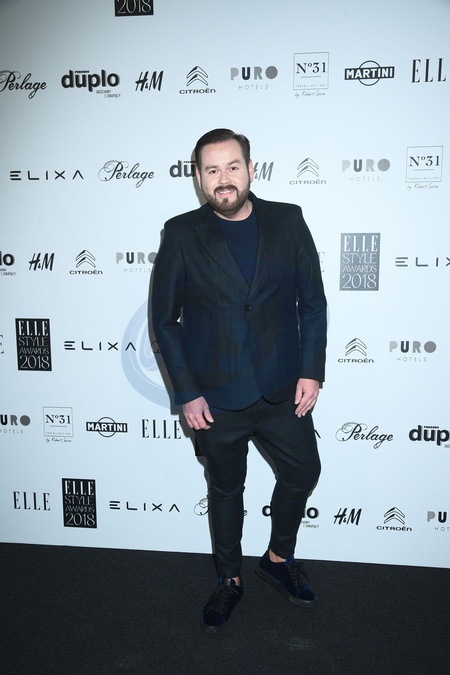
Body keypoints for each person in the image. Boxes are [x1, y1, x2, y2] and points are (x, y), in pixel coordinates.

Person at [150, 128, 327, 634]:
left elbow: (312, 303)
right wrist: (186, 392)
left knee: (303, 472)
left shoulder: (288, 220)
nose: (223, 179)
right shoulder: (181, 233)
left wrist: (311, 370)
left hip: (281, 388)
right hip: (214, 396)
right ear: (199, 178)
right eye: (212, 170)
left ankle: (277, 559)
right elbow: (165, 321)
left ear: (251, 168)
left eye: (232, 166)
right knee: (226, 490)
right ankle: (229, 579)